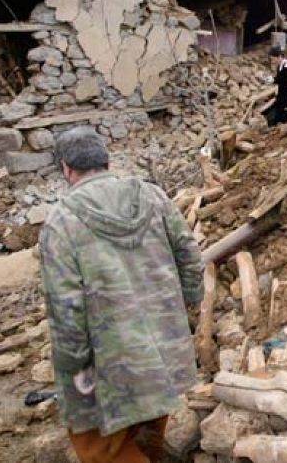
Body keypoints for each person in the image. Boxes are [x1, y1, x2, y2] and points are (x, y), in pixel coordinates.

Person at [39, 127, 205, 463]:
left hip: (110, 362)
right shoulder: (153, 196)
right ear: (106, 161)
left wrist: (75, 372)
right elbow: (191, 259)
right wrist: (185, 316)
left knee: (100, 448)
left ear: (66, 169)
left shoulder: (61, 222)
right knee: (149, 427)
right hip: (161, 350)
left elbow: (66, 311)